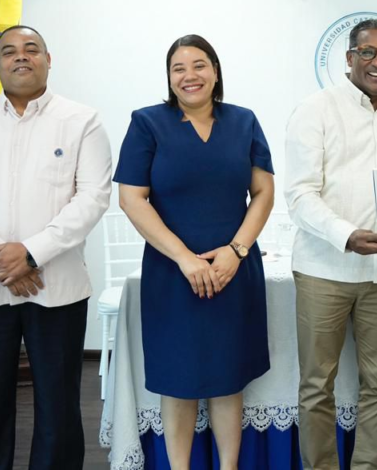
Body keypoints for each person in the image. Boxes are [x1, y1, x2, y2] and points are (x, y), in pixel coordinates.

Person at [0, 25, 112, 470]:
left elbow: (92, 197)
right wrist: (2, 258)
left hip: (57, 287)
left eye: (32, 49)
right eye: (9, 51)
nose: (21, 56)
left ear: (49, 59)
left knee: (58, 407)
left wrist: (31, 253)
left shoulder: (82, 120)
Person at [115, 34, 274, 470]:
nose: (190, 75)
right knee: (178, 380)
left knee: (228, 377)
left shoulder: (244, 121)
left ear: (215, 71)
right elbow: (131, 199)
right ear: (168, 78)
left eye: (199, 65)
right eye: (178, 68)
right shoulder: (147, 123)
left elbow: (263, 192)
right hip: (171, 272)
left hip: (233, 269)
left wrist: (236, 251)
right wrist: (184, 258)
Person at [284, 18, 377, 470]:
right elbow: (299, 194)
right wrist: (346, 235)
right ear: (349, 58)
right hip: (324, 269)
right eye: (368, 52)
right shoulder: (315, 109)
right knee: (316, 386)